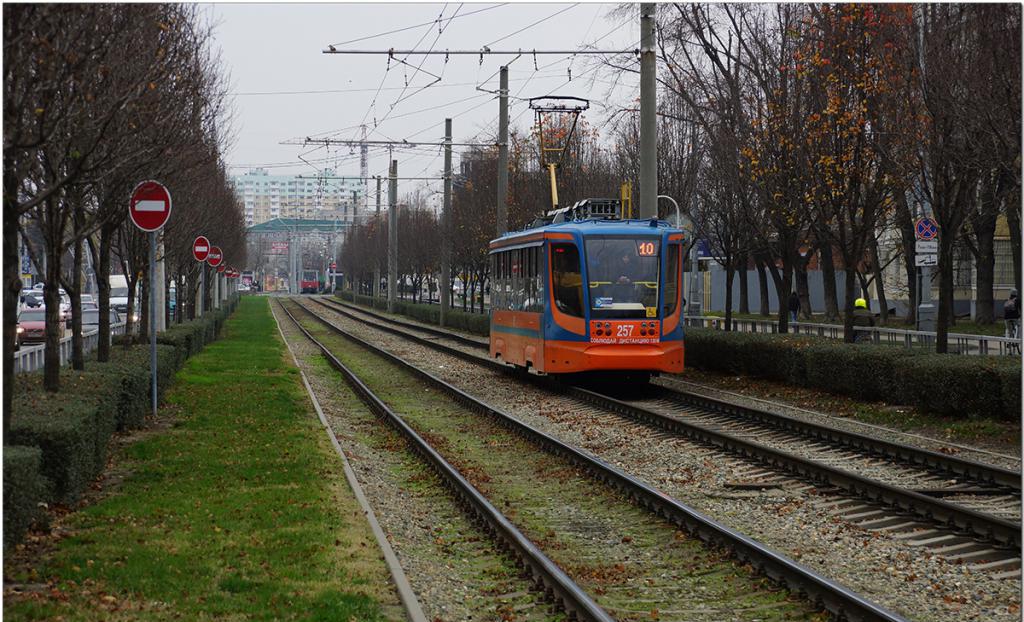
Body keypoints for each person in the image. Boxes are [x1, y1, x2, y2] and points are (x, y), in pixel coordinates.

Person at [1004, 290, 1020, 354]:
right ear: (1016, 294)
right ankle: (1015, 341)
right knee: (1018, 326)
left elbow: (1005, 310)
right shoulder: (1018, 300)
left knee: (1008, 329)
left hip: (1006, 318)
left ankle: (1008, 342)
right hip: (1015, 317)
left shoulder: (1007, 300)